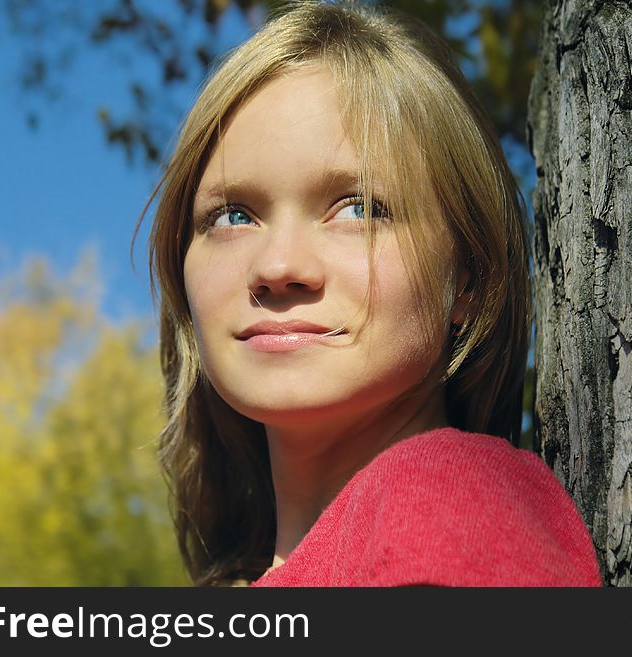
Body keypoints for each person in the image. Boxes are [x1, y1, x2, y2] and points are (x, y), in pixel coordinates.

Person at [142, 0, 601, 587]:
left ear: (469, 279)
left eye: (357, 209)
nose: (278, 266)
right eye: (233, 217)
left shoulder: (443, 495)